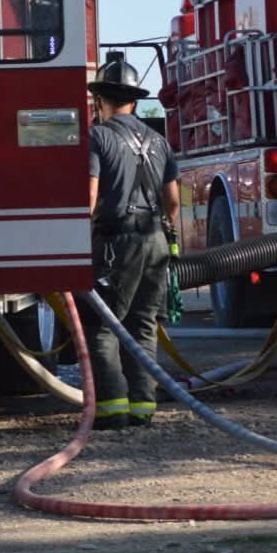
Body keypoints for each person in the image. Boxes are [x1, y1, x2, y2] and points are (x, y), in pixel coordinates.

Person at [81, 56, 180, 430]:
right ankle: (142, 407)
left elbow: (88, 197)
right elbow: (173, 202)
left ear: (100, 100)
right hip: (155, 239)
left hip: (115, 243)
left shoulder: (97, 137)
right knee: (143, 323)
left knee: (102, 324)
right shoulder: (159, 141)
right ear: (134, 101)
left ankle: (112, 410)